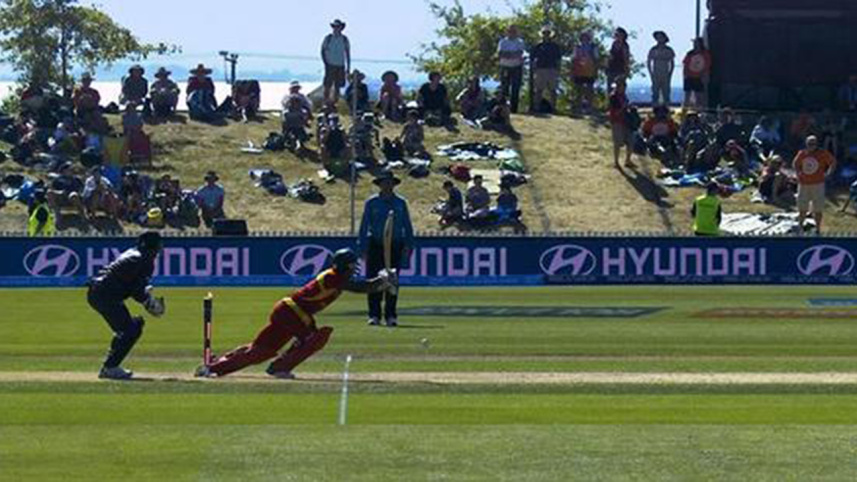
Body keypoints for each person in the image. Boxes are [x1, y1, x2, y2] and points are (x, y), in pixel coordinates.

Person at [196, 249, 394, 379]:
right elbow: (361, 288)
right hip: (293, 311)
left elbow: (362, 286)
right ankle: (280, 367)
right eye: (352, 267)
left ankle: (213, 368)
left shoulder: (337, 277)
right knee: (314, 338)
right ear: (347, 267)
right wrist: (381, 280)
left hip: (289, 312)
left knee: (261, 351)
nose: (353, 271)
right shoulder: (334, 277)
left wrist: (381, 281)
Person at [87, 231, 165, 380]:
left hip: (98, 292)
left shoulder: (135, 253)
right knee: (130, 329)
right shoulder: (144, 259)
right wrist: (148, 302)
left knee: (131, 326)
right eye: (159, 245)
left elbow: (132, 285)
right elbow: (136, 288)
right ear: (153, 246)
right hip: (105, 295)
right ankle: (110, 368)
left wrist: (145, 298)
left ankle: (110, 365)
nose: (161, 248)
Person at [358, 171, 414, 327]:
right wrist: (363, 247)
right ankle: (374, 315)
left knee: (392, 282)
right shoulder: (372, 203)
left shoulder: (400, 203)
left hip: (395, 245)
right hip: (376, 245)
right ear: (380, 184)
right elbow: (364, 226)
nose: (387, 185)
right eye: (384, 182)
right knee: (373, 281)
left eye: (390, 182)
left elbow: (407, 225)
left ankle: (391, 316)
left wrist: (409, 245)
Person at [793, 135, 836, 232]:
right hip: (803, 184)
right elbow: (795, 164)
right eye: (809, 144)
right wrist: (798, 174)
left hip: (818, 184)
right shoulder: (802, 153)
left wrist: (828, 173)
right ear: (806, 144)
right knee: (802, 208)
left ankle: (817, 229)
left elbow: (833, 162)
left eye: (813, 144)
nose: (811, 146)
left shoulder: (823, 153)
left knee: (818, 209)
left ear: (816, 144)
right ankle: (800, 227)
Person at [531, 26, 563, 113]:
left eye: (548, 33)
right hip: (540, 69)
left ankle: (553, 108)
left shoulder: (555, 46)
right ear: (542, 34)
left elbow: (558, 59)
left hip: (552, 69)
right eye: (544, 33)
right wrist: (534, 69)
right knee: (538, 89)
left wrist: (558, 70)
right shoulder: (538, 45)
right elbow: (533, 58)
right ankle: (536, 107)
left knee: (552, 90)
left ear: (550, 34)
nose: (546, 35)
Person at [321, 19, 351, 106]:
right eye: (334, 26)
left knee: (338, 86)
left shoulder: (345, 39)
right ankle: (326, 102)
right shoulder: (328, 38)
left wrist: (348, 67)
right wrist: (326, 63)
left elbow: (347, 53)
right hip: (330, 64)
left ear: (341, 28)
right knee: (327, 85)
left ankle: (334, 103)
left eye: (338, 26)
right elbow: (322, 51)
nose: (336, 28)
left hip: (340, 65)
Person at [497, 24, 526, 114]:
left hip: (516, 67)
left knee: (515, 88)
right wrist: (512, 54)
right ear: (507, 32)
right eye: (510, 31)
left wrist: (509, 54)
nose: (512, 33)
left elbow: (520, 53)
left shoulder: (520, 42)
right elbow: (500, 53)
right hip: (505, 66)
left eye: (514, 31)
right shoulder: (503, 42)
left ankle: (514, 109)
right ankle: (502, 108)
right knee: (504, 88)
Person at [608, 79, 636, 169]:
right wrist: (624, 107)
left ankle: (628, 160)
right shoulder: (613, 97)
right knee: (617, 142)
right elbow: (615, 112)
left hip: (625, 121)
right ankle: (616, 162)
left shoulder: (624, 96)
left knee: (630, 141)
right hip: (617, 121)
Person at [571, 31, 599, 113]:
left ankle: (589, 107)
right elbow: (573, 59)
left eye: (586, 37)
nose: (584, 38)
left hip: (590, 70)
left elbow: (596, 59)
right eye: (583, 37)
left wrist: (596, 71)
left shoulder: (593, 47)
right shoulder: (577, 47)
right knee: (579, 89)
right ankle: (579, 107)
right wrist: (572, 71)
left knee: (589, 89)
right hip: (579, 70)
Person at [647, 31, 675, 106]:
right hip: (656, 73)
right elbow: (649, 62)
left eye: (661, 37)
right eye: (657, 37)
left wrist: (670, 74)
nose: (659, 39)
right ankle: (655, 109)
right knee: (655, 93)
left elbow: (672, 63)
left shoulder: (669, 49)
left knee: (666, 93)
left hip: (665, 73)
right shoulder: (653, 49)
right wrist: (651, 73)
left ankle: (666, 109)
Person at [682, 38, 711, 109]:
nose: (695, 45)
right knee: (687, 95)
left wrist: (705, 75)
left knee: (700, 96)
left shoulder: (705, 54)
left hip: (699, 77)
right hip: (689, 76)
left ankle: (701, 111)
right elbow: (685, 64)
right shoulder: (690, 53)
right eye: (694, 43)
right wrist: (685, 75)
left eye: (696, 43)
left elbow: (707, 65)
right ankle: (685, 110)